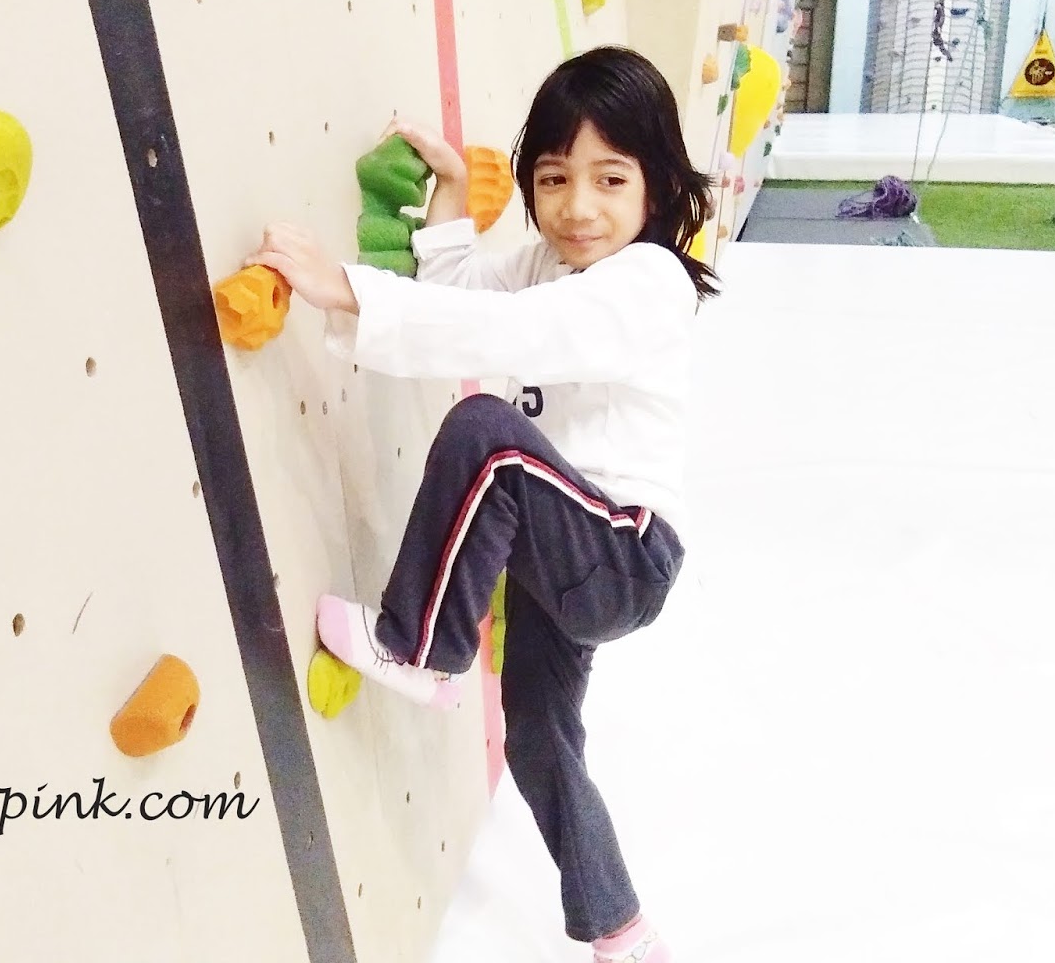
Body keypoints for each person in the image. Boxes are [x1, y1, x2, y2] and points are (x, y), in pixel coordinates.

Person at [246, 46, 718, 963]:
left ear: (656, 189)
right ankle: (620, 928)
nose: (578, 206)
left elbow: (513, 333)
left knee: (488, 434)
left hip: (624, 549)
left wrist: (341, 287)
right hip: (561, 544)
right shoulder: (546, 258)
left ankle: (421, 647)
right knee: (540, 739)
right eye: (555, 178)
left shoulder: (650, 282)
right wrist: (456, 202)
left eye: (609, 180)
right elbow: (461, 297)